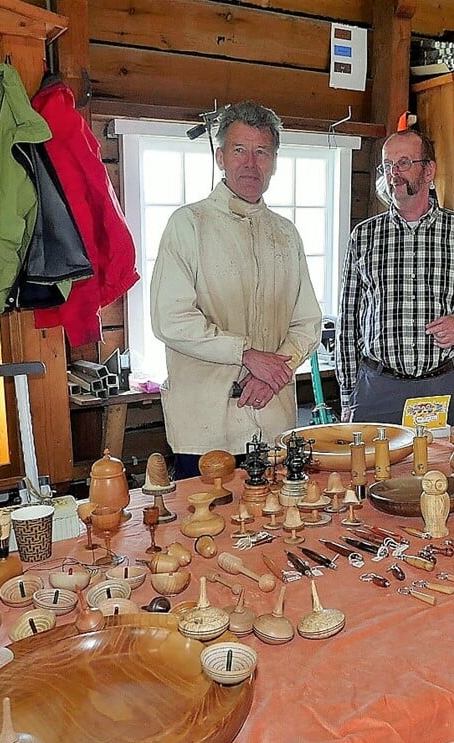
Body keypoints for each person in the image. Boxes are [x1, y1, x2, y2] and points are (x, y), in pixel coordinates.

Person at [150, 101, 323, 477]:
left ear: (274, 161)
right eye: (239, 150)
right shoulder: (188, 225)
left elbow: (308, 322)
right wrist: (245, 354)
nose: (251, 163)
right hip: (205, 431)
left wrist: (274, 371)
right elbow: (170, 319)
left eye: (262, 152)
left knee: (280, 527)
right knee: (205, 530)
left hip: (273, 422)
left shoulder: (285, 234)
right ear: (220, 157)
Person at [336, 127, 454, 425]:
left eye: (404, 163)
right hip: (378, 390)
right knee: (374, 472)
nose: (393, 173)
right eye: (387, 165)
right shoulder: (364, 236)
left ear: (429, 171)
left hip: (444, 386)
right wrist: (348, 392)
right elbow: (348, 318)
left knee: (449, 471)